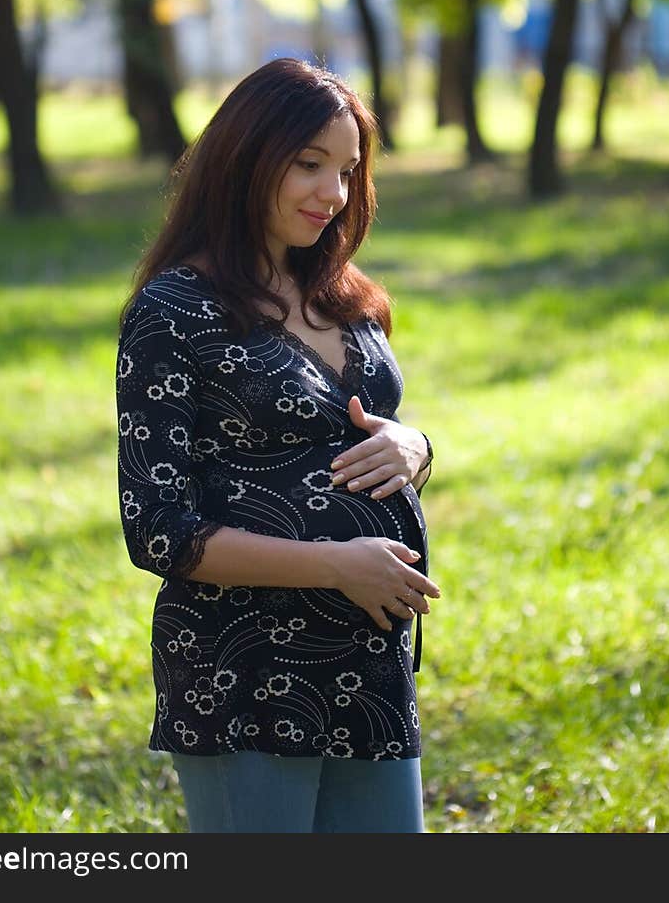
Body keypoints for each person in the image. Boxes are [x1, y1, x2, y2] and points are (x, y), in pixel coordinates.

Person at [115, 57, 439, 833]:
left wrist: (417, 448)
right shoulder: (172, 314)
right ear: (247, 157)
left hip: (369, 663)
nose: (333, 194)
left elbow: (374, 430)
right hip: (246, 670)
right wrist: (335, 565)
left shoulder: (344, 294)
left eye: (348, 171)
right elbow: (158, 528)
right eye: (309, 164)